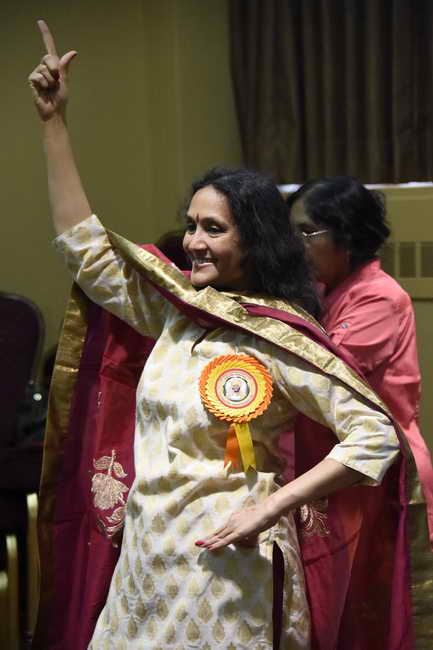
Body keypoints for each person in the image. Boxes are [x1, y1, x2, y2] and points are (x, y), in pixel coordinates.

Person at [28, 22, 431, 650]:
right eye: (190, 225)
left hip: (231, 569)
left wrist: (271, 507)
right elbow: (85, 250)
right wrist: (54, 124)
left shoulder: (279, 336)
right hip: (147, 559)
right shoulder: (174, 312)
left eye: (213, 229)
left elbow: (375, 437)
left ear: (255, 240)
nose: (192, 242)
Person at [287, 176, 433, 543]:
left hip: (385, 470)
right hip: (348, 467)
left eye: (307, 233)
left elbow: (322, 372)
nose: (296, 246)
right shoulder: (325, 289)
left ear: (348, 235)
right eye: (291, 233)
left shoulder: (379, 296)